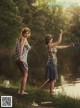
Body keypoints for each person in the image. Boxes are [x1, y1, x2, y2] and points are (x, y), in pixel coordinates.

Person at [39, 29, 74, 96]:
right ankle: (51, 93)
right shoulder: (49, 45)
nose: (52, 39)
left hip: (53, 63)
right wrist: (61, 33)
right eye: (51, 38)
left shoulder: (52, 45)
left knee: (51, 79)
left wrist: (69, 46)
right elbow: (59, 42)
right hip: (51, 63)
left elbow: (60, 47)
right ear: (49, 40)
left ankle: (41, 90)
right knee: (52, 79)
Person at [15, 27, 31, 95]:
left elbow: (16, 49)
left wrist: (17, 57)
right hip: (22, 59)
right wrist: (20, 57)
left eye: (27, 33)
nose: (26, 34)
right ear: (23, 33)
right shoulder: (23, 39)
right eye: (25, 33)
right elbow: (21, 47)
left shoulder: (19, 39)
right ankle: (22, 92)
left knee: (23, 75)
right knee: (25, 75)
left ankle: (20, 91)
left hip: (18, 59)